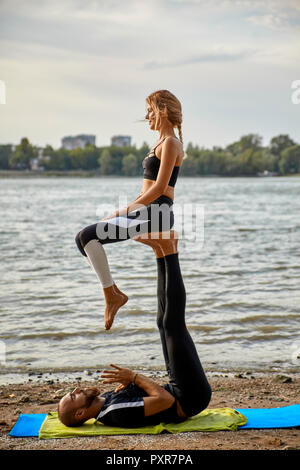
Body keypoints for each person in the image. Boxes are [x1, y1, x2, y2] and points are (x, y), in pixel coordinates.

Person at [58, 235, 212, 428]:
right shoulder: (116, 413)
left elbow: (146, 396)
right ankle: (170, 250)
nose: (77, 389)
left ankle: (161, 250)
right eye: (73, 396)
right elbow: (165, 401)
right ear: (80, 412)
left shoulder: (106, 401)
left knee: (163, 323)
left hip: (178, 390)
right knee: (173, 325)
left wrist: (131, 384)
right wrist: (134, 378)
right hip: (189, 398)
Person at [75, 90, 185, 330]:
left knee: (87, 236)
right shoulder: (158, 144)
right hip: (145, 211)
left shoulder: (171, 143)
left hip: (158, 213)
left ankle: (112, 296)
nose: (147, 116)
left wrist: (122, 212)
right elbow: (146, 189)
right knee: (82, 239)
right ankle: (112, 292)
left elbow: (159, 188)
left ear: (163, 110)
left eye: (150, 110)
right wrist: (125, 211)